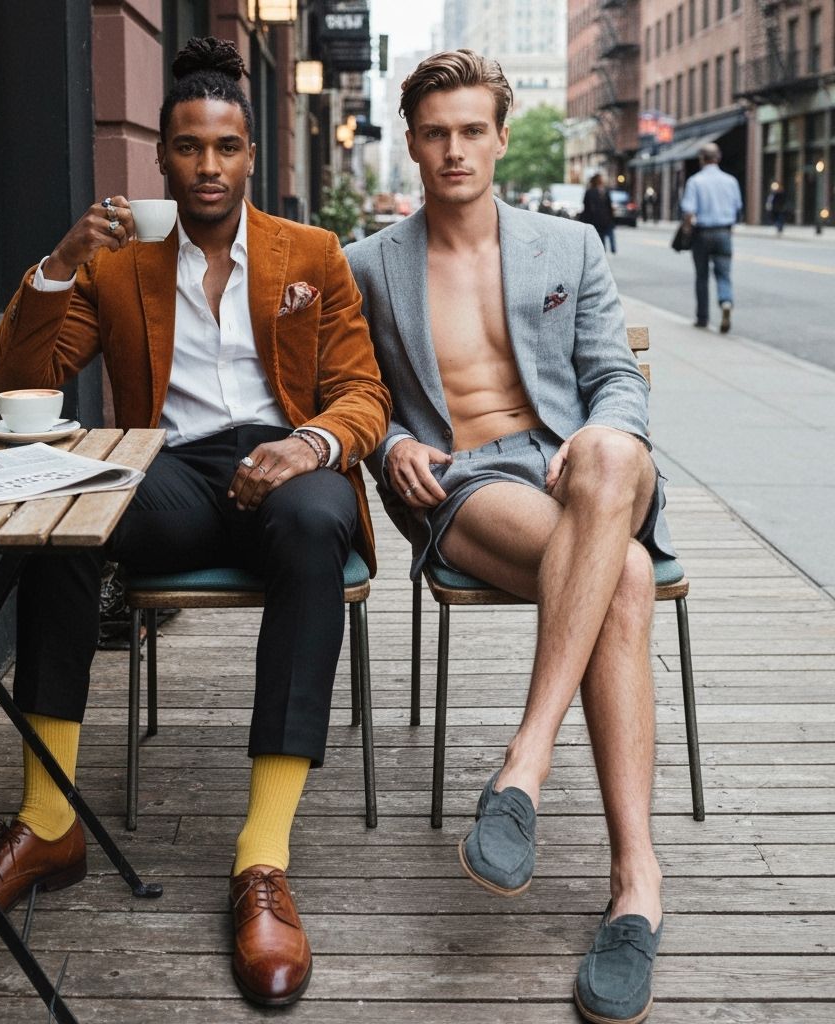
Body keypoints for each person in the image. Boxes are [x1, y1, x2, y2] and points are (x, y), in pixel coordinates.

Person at [0, 37, 390, 1009]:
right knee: (60, 510)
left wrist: (309, 446)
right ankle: (49, 821)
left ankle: (262, 860)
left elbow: (362, 394)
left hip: (283, 464)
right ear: (160, 159)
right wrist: (57, 264)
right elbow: (19, 382)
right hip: (166, 473)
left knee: (313, 521)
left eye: (225, 147)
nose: (206, 166)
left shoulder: (312, 255)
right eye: (187, 148)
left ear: (250, 154)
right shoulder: (120, 264)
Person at [346, 49, 675, 1024]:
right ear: (411, 142)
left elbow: (616, 374)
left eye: (471, 130)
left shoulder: (567, 248)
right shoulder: (367, 266)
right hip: (469, 481)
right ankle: (636, 885)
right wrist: (395, 441)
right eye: (435, 132)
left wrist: (597, 430)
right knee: (621, 574)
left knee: (614, 460)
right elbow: (354, 396)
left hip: (576, 465)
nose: (454, 150)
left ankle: (522, 764)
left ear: (499, 135)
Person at [680, 142, 743, 333]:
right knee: (724, 274)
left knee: (702, 277)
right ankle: (725, 302)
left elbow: (689, 211)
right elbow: (738, 208)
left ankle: (702, 318)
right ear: (718, 157)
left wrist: (686, 231)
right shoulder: (730, 181)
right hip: (724, 231)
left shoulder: (695, 181)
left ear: (701, 159)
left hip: (703, 233)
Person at [581, 172, 616, 252]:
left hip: (596, 219)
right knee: (601, 236)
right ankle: (602, 252)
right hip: (601, 219)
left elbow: (586, 207)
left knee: (599, 237)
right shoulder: (603, 191)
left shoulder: (593, 191)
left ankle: (601, 251)